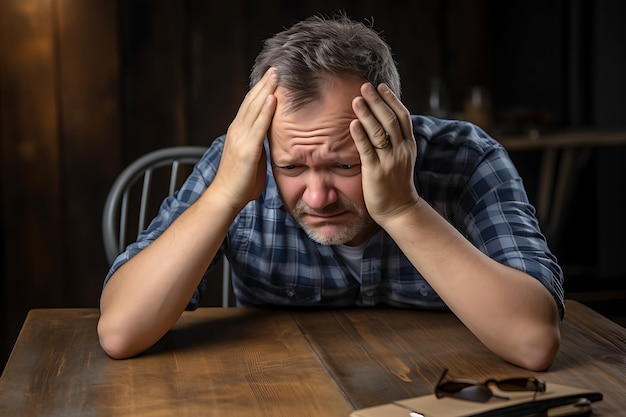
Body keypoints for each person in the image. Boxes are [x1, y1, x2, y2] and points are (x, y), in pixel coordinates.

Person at [98, 14, 564, 371]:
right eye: (291, 166)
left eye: (345, 165)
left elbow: (534, 341)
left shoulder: (469, 158)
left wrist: (402, 208)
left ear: (393, 124)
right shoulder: (240, 159)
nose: (318, 198)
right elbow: (120, 332)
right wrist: (223, 196)